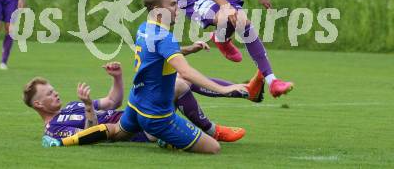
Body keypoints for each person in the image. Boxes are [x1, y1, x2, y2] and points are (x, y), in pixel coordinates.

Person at [115, 0, 257, 154]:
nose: (178, 8)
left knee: (181, 84)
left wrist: (189, 49)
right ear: (157, 9)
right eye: (173, 4)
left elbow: (157, 54)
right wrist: (224, 89)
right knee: (213, 148)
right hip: (154, 109)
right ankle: (184, 135)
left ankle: (214, 126)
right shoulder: (165, 37)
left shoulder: (144, 28)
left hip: (140, 98)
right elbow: (186, 71)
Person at [25, 60, 252, 147]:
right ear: (38, 104)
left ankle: (242, 92)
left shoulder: (71, 106)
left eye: (53, 90)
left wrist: (117, 78)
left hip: (132, 115)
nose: (55, 94)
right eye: (49, 93)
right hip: (134, 130)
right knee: (177, 84)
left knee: (178, 82)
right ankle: (214, 128)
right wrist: (88, 107)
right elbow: (89, 135)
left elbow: (112, 101)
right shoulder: (53, 129)